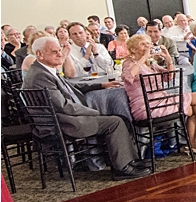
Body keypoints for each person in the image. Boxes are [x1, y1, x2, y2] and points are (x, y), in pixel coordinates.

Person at [23, 36, 151, 179]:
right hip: (62, 124)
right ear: (39, 54)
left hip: (64, 118)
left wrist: (101, 85)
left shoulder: (43, 70)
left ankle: (128, 161)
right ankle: (122, 168)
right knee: (115, 122)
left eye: (60, 50)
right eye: (55, 52)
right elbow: (63, 106)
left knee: (120, 118)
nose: (60, 54)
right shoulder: (40, 76)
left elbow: (70, 87)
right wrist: (94, 112)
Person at [121, 34, 196, 155]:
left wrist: (168, 58)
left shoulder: (151, 64)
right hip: (145, 107)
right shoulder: (128, 63)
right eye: (143, 44)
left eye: (148, 44)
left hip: (160, 101)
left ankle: (192, 143)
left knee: (194, 108)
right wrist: (144, 58)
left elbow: (170, 77)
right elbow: (128, 77)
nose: (147, 46)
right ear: (133, 49)